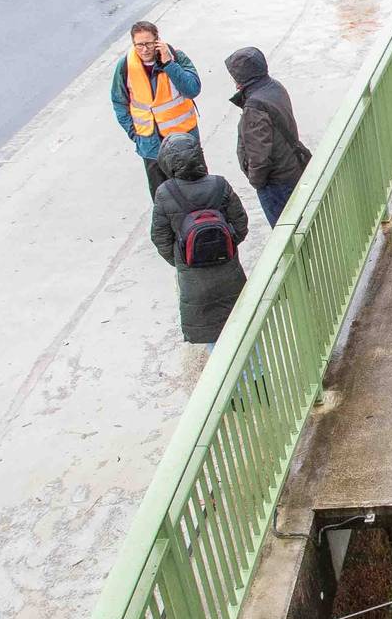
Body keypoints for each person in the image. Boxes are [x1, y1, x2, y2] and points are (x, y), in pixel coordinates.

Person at [148, 136, 250, 371]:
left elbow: (160, 237)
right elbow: (241, 224)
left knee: (213, 336)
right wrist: (226, 248)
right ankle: (257, 379)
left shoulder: (165, 193)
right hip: (229, 273)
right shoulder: (219, 185)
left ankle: (228, 382)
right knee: (240, 330)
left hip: (195, 282)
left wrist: (182, 261)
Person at [109, 21, 200, 198]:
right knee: (164, 199)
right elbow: (119, 102)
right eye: (139, 45)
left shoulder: (176, 58)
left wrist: (169, 65)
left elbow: (192, 89)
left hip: (185, 144)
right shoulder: (125, 66)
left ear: (157, 40)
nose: (144, 50)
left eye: (149, 44)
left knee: (197, 194)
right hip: (151, 147)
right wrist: (134, 134)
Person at [225, 47, 311, 224]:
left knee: (286, 228)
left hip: (276, 183)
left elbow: (259, 156)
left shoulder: (254, 107)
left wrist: (256, 181)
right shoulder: (274, 87)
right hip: (291, 168)